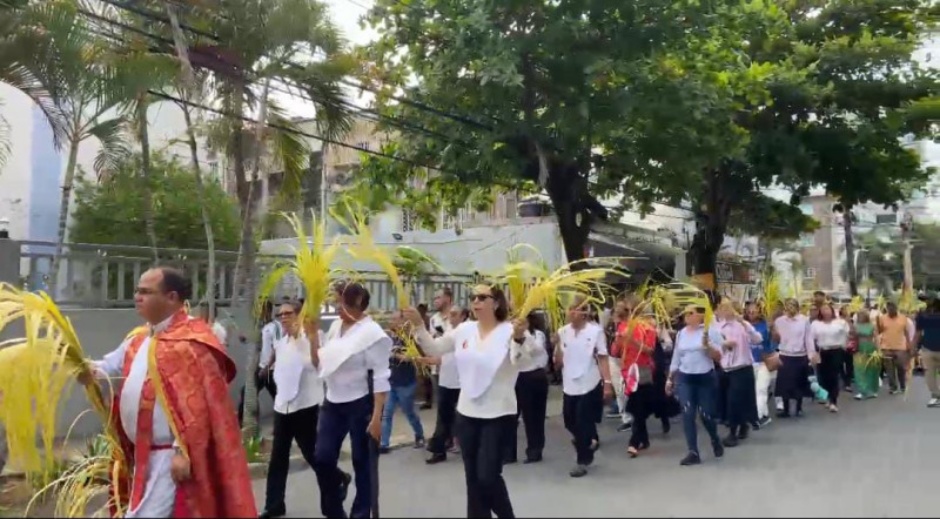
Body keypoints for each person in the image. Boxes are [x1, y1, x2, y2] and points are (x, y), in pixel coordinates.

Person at [83, 267, 256, 517]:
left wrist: (182, 451)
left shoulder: (193, 342)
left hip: (169, 458)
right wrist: (82, 365)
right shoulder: (138, 339)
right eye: (136, 291)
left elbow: (200, 407)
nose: (137, 297)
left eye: (145, 291)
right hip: (140, 456)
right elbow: (107, 368)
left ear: (172, 297)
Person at [407, 285, 538, 519]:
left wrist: (519, 339)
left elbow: (526, 361)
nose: (475, 301)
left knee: (488, 476)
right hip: (467, 413)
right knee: (473, 479)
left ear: (496, 303)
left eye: (482, 297)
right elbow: (435, 347)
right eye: (473, 297)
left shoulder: (512, 329)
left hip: (498, 414)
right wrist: (418, 324)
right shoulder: (464, 330)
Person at [313, 282, 392, 519]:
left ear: (358, 304)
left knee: (362, 463)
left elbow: (381, 376)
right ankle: (335, 510)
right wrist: (310, 336)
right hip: (332, 403)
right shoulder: (336, 327)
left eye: (343, 302)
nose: (338, 307)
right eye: (337, 301)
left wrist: (377, 417)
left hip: (360, 404)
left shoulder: (372, 333)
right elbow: (321, 363)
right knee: (322, 458)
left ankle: (360, 514)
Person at [260, 301, 339, 519]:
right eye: (280, 314)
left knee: (313, 454)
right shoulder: (280, 342)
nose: (283, 317)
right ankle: (274, 504)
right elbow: (281, 371)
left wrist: (305, 341)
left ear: (298, 315)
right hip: (282, 406)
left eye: (288, 313)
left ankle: (336, 482)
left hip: (305, 406)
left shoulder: (313, 337)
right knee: (278, 457)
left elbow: (316, 366)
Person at [555, 297, 614, 478]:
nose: (573, 312)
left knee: (582, 420)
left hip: (589, 381)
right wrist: (556, 345)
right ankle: (588, 442)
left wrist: (608, 383)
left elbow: (602, 357)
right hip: (569, 383)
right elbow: (558, 362)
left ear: (585, 313)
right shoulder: (562, 331)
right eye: (570, 308)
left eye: (577, 309)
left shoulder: (595, 332)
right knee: (569, 420)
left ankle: (582, 460)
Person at [666, 305, 725, 466]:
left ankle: (715, 438)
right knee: (687, 412)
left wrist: (707, 346)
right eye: (685, 313)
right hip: (686, 378)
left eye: (691, 313)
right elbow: (676, 357)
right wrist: (670, 378)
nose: (687, 316)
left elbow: (719, 357)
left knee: (706, 414)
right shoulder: (681, 333)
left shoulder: (709, 331)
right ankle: (693, 451)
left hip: (705, 377)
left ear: (700, 316)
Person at [714, 301, 762, 447]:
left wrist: (745, 324)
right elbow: (713, 343)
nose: (724, 311)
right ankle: (742, 424)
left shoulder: (742, 325)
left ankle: (733, 433)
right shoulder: (716, 327)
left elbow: (758, 339)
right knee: (728, 400)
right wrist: (724, 344)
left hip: (741, 367)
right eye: (722, 308)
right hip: (725, 368)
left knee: (734, 400)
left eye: (728, 308)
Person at [505, 311, 550, 464]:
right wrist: (515, 340)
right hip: (514, 377)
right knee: (510, 416)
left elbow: (535, 350)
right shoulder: (509, 336)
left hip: (533, 376)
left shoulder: (537, 335)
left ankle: (535, 450)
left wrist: (523, 335)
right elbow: (513, 358)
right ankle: (508, 453)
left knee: (533, 417)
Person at [425, 306, 467, 464]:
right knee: (443, 417)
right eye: (450, 314)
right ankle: (439, 450)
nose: (451, 317)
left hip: (463, 381)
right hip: (446, 379)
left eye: (455, 314)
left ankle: (464, 445)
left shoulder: (468, 331)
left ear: (463, 316)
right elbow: (439, 351)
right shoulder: (448, 331)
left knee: (463, 417)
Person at [379, 311, 426, 453]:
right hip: (392, 381)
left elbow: (412, 357)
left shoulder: (410, 338)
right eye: (391, 319)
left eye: (394, 319)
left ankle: (419, 434)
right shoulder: (390, 337)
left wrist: (394, 354)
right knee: (387, 413)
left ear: (403, 321)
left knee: (409, 411)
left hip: (406, 382)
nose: (391, 322)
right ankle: (384, 443)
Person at [620, 303, 657, 457]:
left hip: (642, 370)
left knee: (638, 406)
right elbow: (617, 350)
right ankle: (644, 438)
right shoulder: (623, 326)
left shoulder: (648, 329)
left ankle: (634, 441)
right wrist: (618, 341)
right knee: (637, 406)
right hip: (628, 370)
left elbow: (649, 350)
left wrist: (632, 340)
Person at [773, 298, 818, 418]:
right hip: (785, 355)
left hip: (800, 356)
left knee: (799, 383)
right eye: (788, 306)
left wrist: (811, 355)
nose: (790, 308)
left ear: (797, 307)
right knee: (784, 385)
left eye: (793, 306)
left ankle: (798, 408)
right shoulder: (779, 321)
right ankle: (786, 409)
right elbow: (776, 339)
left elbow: (808, 338)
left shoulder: (803, 321)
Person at [238, 298, 280, 426]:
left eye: (260, 309)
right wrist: (245, 339)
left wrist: (267, 367)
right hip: (262, 368)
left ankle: (282, 426)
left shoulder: (275, 327)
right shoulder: (264, 327)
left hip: (271, 370)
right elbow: (263, 345)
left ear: (267, 310)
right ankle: (244, 423)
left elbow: (277, 348)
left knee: (279, 399)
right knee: (247, 392)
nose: (258, 313)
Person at [811, 304, 849, 413]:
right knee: (823, 377)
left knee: (833, 376)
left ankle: (834, 401)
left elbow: (846, 334)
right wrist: (814, 353)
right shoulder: (816, 324)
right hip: (822, 351)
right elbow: (812, 339)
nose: (825, 311)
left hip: (836, 350)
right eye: (823, 309)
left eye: (827, 309)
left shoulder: (839, 323)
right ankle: (827, 396)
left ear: (832, 311)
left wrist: (844, 346)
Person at [876, 301, 915, 395]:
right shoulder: (882, 318)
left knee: (901, 368)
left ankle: (902, 385)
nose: (890, 311)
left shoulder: (903, 318)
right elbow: (879, 331)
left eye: (892, 309)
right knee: (889, 370)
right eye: (889, 310)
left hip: (900, 348)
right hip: (886, 347)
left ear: (896, 308)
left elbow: (906, 332)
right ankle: (893, 387)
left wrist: (909, 345)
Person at [915, 298, 940, 407]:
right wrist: (914, 347)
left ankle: (935, 396)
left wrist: (914, 347)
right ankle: (935, 396)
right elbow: (918, 333)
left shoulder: (922, 316)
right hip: (927, 349)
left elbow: (918, 334)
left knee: (930, 374)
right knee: (929, 374)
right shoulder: (922, 317)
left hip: (928, 348)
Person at [852, 309, 880, 401]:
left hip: (870, 347)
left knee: (871, 369)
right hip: (858, 348)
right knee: (859, 369)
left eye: (862, 315)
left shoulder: (872, 325)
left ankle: (872, 390)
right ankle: (861, 390)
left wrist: (878, 349)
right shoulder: (855, 326)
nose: (860, 317)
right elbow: (851, 337)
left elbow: (876, 338)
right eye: (859, 315)